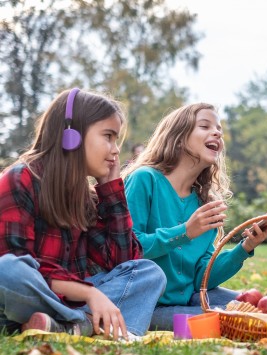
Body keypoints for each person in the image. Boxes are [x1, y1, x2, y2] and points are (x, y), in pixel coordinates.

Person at [0, 88, 166, 340]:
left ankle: (64, 325)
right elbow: (17, 260)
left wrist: (111, 191)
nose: (115, 150)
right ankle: (83, 323)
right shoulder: (21, 178)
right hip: (21, 298)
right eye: (108, 137)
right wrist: (89, 294)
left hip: (68, 299)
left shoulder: (86, 196)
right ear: (71, 136)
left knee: (149, 273)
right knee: (8, 269)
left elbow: (122, 263)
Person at [122, 103, 267, 331]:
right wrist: (186, 232)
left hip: (189, 299)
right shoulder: (144, 180)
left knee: (256, 308)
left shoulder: (204, 203)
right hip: (146, 305)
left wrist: (245, 247)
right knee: (226, 319)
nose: (217, 133)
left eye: (219, 129)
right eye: (205, 126)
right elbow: (127, 248)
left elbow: (203, 278)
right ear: (179, 138)